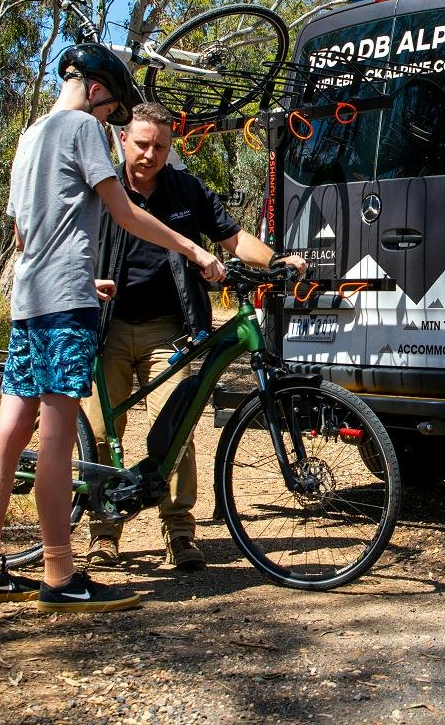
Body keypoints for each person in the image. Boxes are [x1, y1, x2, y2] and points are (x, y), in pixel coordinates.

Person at [0, 44, 226, 613]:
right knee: (58, 434)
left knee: (11, 427)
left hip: (28, 301)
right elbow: (124, 213)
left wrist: (81, 278)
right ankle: (59, 573)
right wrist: (191, 250)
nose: (110, 122)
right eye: (113, 113)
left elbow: (22, 237)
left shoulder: (29, 137)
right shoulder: (80, 126)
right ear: (98, 90)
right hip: (64, 307)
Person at [84, 102, 307, 571]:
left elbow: (234, 238)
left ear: (170, 148)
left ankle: (180, 531)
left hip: (170, 328)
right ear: (123, 140)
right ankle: (104, 533)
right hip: (108, 328)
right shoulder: (101, 188)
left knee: (178, 428)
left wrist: (277, 260)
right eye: (141, 144)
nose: (149, 154)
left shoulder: (186, 189)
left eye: (160, 147)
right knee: (104, 433)